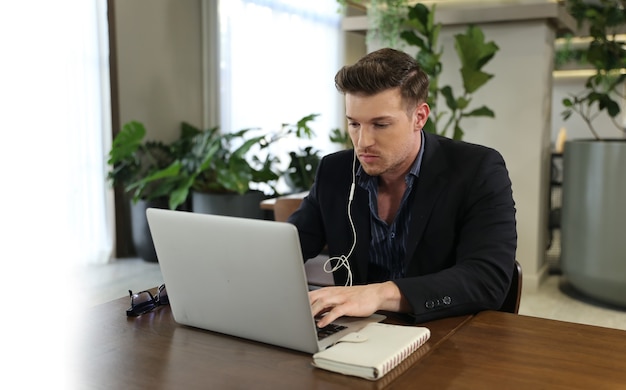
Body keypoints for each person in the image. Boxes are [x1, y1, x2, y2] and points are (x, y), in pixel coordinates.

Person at [288, 48, 517, 327]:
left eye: (380, 124)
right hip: (358, 333)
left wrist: (379, 294)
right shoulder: (334, 171)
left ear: (419, 117)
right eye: (354, 124)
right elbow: (290, 246)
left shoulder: (477, 169)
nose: (362, 142)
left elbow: (487, 280)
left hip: (444, 335)